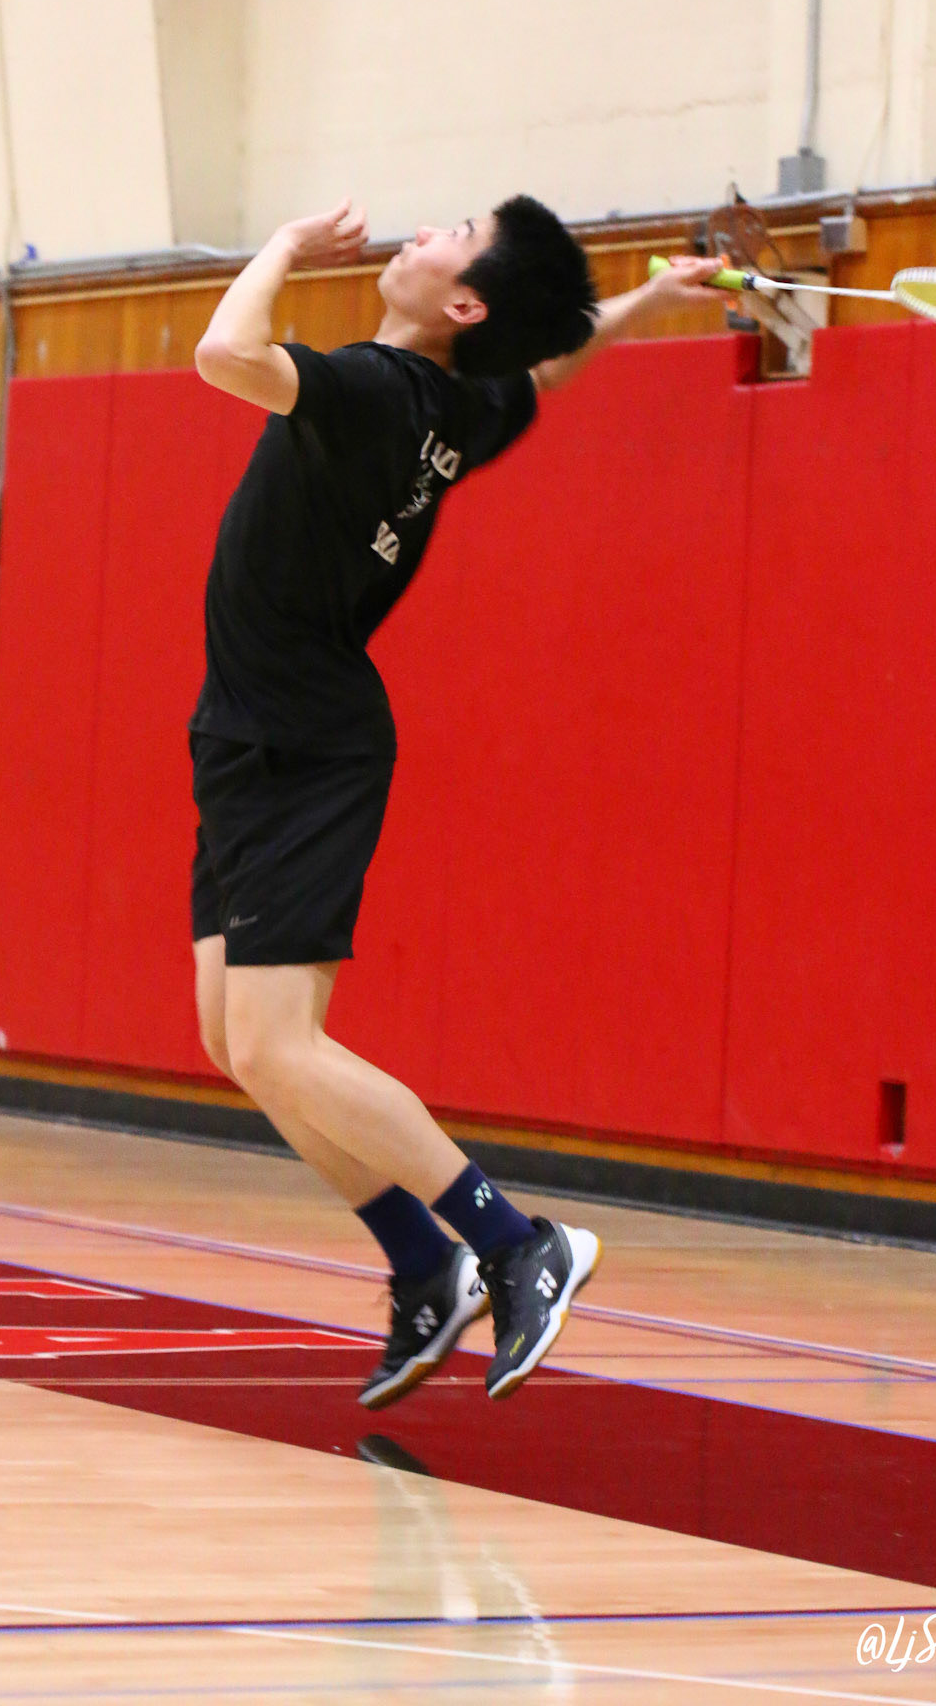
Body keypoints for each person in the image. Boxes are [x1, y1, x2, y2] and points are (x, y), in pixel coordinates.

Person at [188, 195, 723, 1407]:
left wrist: (282, 247)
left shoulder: (378, 390)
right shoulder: (456, 404)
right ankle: (425, 1263)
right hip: (248, 733)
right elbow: (551, 366)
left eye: (454, 230)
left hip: (297, 740)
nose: (426, 228)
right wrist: (645, 299)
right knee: (235, 1039)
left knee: (277, 1042)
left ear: (464, 301)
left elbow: (224, 352)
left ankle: (518, 1241)